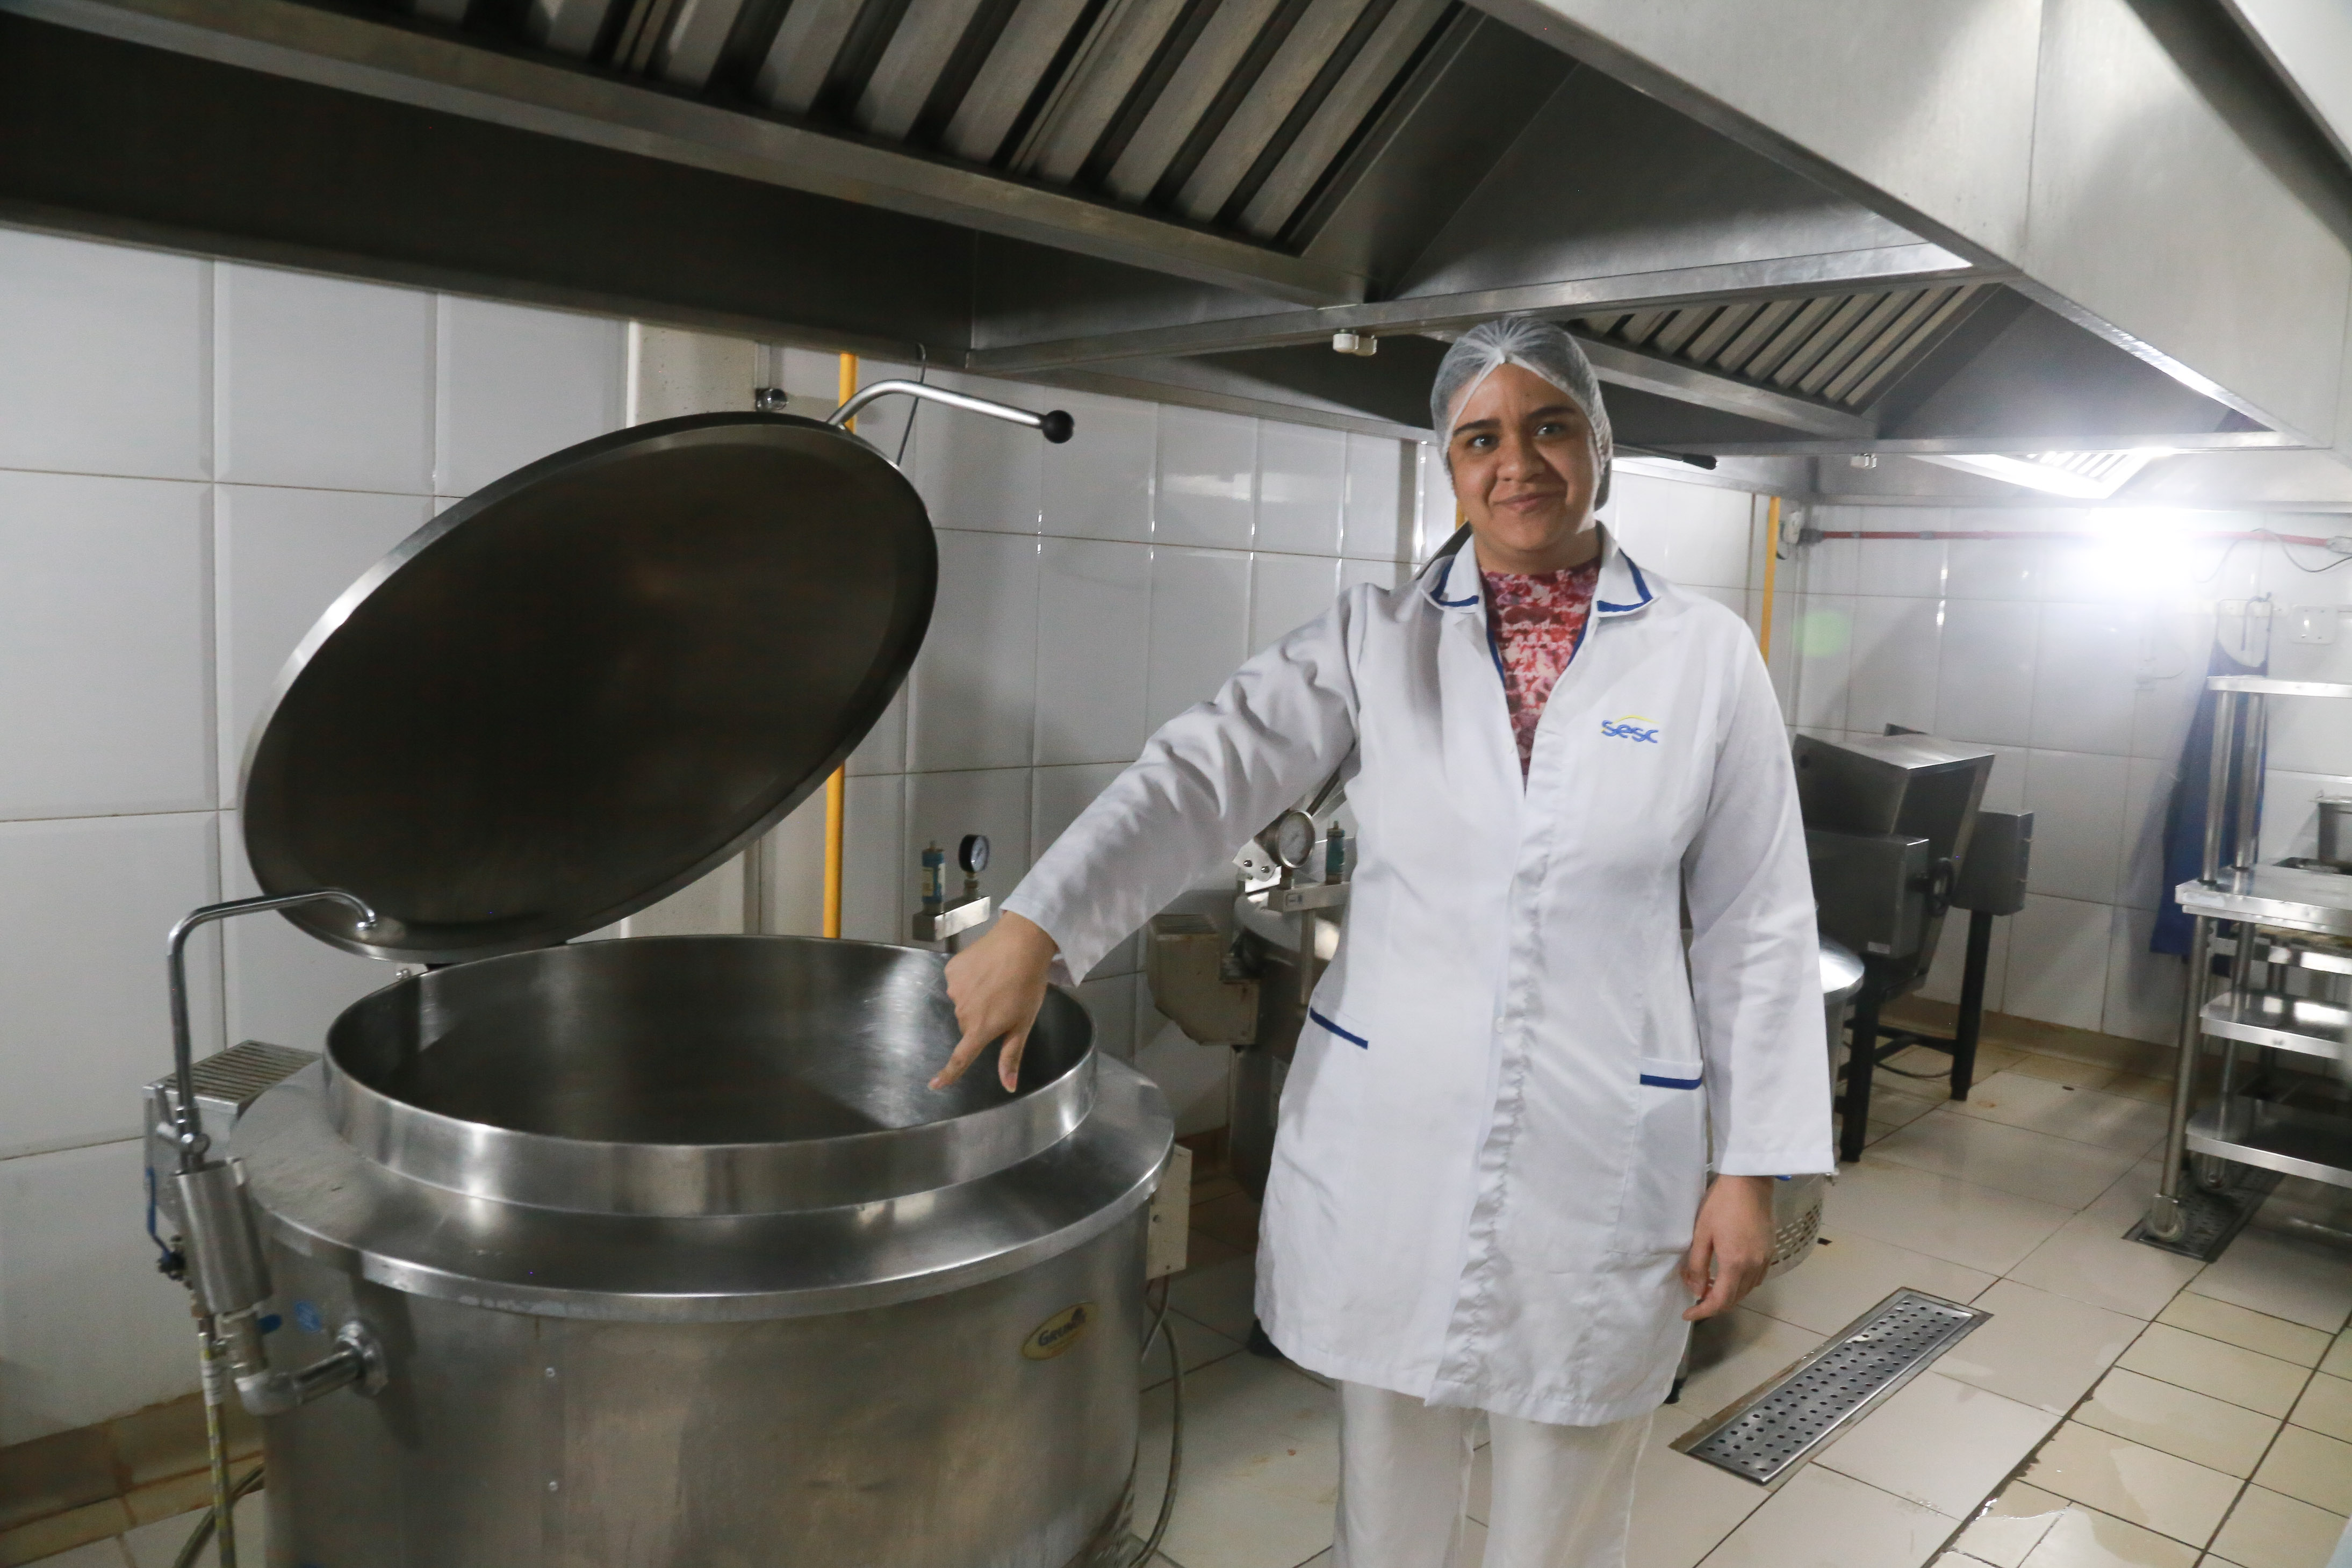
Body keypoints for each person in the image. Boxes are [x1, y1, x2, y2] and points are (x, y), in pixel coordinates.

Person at [934, 316, 1832, 1568]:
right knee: (1386, 1503)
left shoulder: (1702, 659)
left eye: (1547, 426)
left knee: (1560, 1511)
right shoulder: (1376, 637)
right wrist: (1040, 920)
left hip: (1601, 1147)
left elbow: (1757, 923)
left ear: (1598, 446)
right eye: (1480, 438)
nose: (1515, 461)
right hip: (1396, 1140)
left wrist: (1750, 1168)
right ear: (1448, 465)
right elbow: (1205, 770)